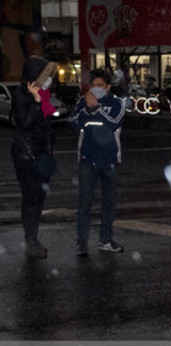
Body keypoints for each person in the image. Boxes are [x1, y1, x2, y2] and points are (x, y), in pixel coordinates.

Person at [69, 68, 126, 256]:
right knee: (85, 202)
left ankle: (106, 240)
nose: (96, 89)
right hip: (87, 158)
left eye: (100, 85)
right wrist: (87, 108)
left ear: (108, 86)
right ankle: (81, 241)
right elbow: (74, 123)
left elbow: (113, 124)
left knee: (109, 202)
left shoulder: (117, 103)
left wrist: (97, 108)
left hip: (109, 158)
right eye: (93, 85)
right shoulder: (82, 102)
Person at [10, 55, 57, 258]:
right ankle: (31, 240)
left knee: (39, 197)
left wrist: (42, 101)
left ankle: (34, 237)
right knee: (30, 197)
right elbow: (26, 123)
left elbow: (49, 118)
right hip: (26, 155)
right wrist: (37, 102)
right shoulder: (20, 95)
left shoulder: (43, 93)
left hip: (41, 155)